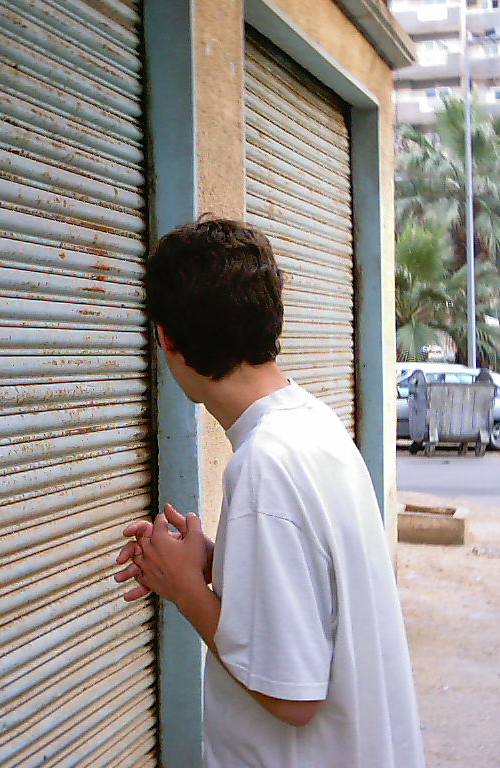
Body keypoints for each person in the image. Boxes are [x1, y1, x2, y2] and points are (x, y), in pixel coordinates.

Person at [114, 217, 424, 768]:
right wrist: (220, 563)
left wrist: (186, 589)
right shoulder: (311, 423)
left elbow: (292, 697)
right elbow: (317, 591)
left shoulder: (265, 466)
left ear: (166, 339)